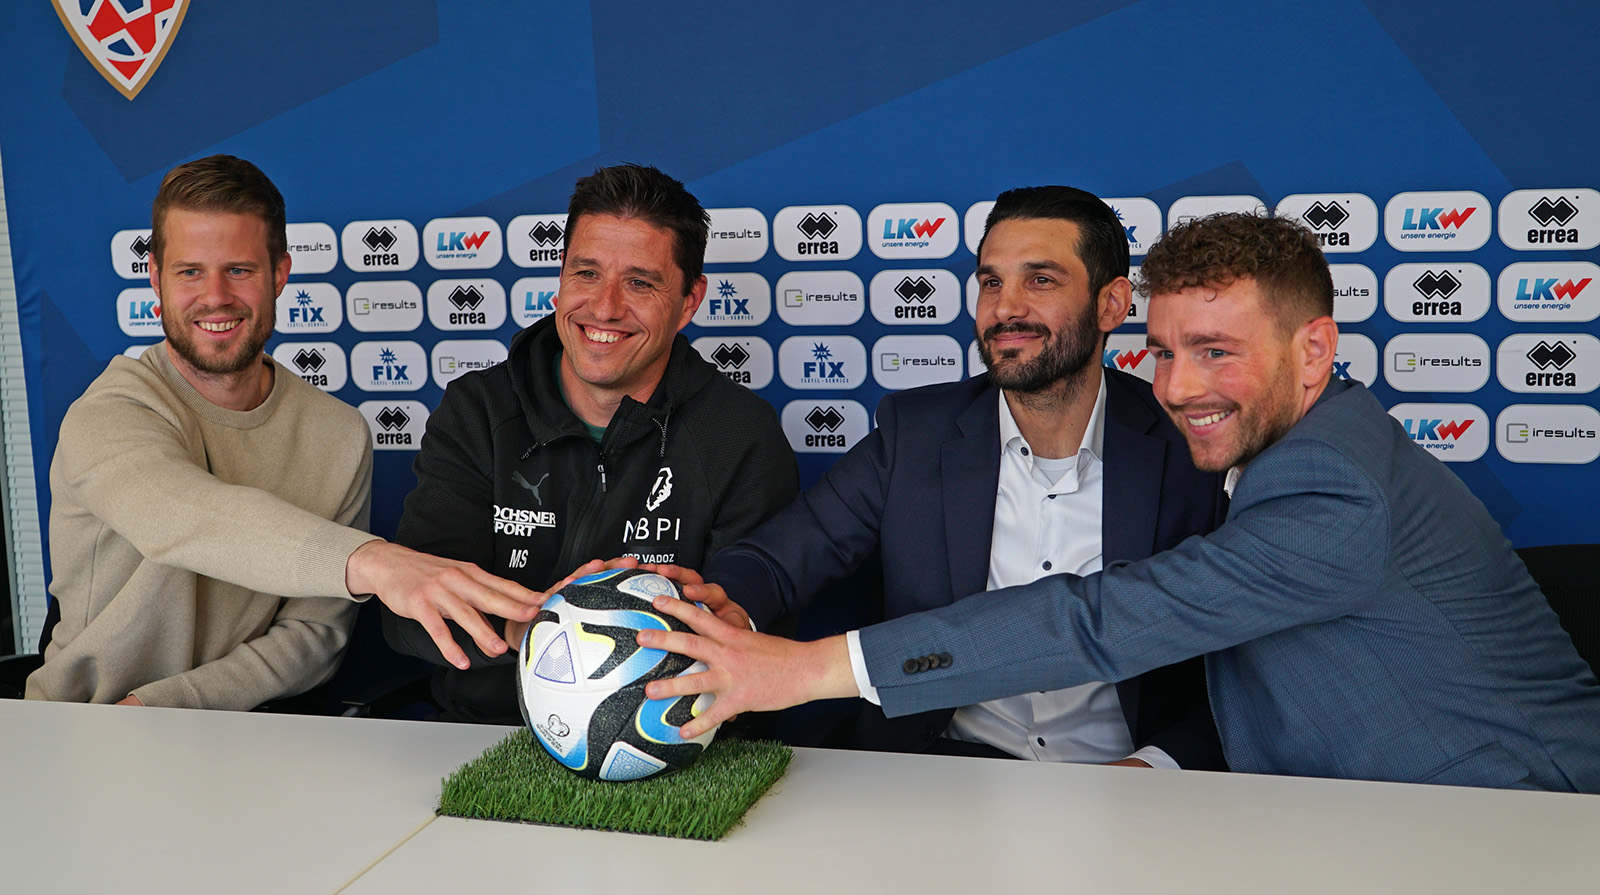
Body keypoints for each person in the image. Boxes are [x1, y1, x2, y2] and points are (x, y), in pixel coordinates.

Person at [638, 212, 1600, 792]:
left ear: (1314, 352)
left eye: (1217, 351)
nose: (1179, 388)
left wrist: (805, 668)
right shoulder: (1286, 444)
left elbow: (1101, 620)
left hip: (1512, 814)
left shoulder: (1330, 479)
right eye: (1168, 351)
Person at [683, 186, 1228, 768]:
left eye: (1040, 280)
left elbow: (1248, 667)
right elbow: (777, 558)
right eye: (991, 282)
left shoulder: (1193, 448)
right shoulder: (914, 434)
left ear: (1111, 304)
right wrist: (726, 607)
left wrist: (1156, 766)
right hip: (942, 772)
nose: (1006, 307)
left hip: (1131, 785)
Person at [28, 155, 544, 710]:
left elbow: (314, 636)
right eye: (189, 271)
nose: (216, 295)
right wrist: (375, 562)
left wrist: (166, 706)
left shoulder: (338, 433)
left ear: (280, 274)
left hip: (238, 735)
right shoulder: (110, 410)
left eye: (240, 270)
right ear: (155, 278)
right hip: (83, 724)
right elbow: (182, 515)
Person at [382, 164, 798, 724]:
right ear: (560, 279)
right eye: (587, 274)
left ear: (689, 300)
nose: (604, 308)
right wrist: (535, 627)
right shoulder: (478, 409)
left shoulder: (739, 432)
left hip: (661, 738)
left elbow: (744, 632)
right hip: (486, 728)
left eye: (640, 282)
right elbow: (409, 615)